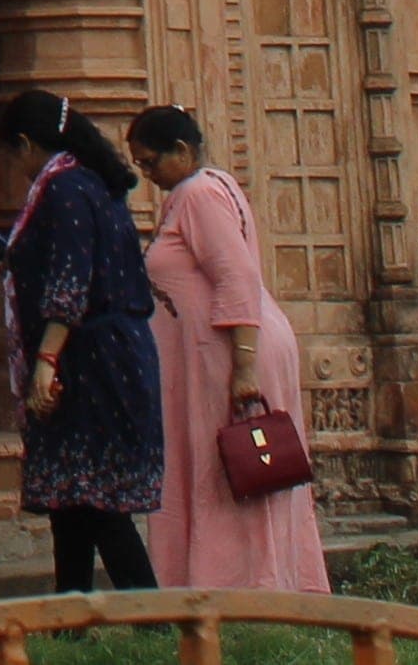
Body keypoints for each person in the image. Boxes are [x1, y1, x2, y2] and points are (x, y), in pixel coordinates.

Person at [129, 105, 329, 593]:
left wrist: (242, 367)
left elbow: (236, 275)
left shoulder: (199, 193)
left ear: (183, 151)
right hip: (228, 348)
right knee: (239, 468)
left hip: (234, 349)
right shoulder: (199, 191)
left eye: (152, 162)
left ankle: (246, 584)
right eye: (140, 167)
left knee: (239, 469)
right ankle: (242, 580)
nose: (147, 175)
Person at [0, 88, 165, 592]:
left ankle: (153, 620)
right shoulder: (95, 185)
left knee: (97, 503)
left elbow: (71, 282)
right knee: (72, 503)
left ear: (26, 144)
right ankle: (69, 617)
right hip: (108, 351)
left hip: (88, 359)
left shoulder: (64, 189)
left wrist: (45, 361)